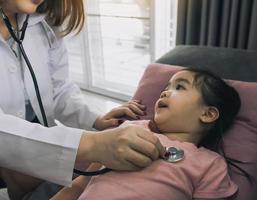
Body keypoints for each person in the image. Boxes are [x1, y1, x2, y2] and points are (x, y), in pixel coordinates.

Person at [0, 0, 165, 197]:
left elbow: (59, 89)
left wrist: (95, 120)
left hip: (39, 135)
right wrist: (93, 144)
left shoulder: (41, 24)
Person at [52, 68, 242, 200]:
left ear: (208, 114)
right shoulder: (131, 129)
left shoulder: (209, 164)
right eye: (166, 87)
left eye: (180, 87)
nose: (165, 92)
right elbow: (82, 183)